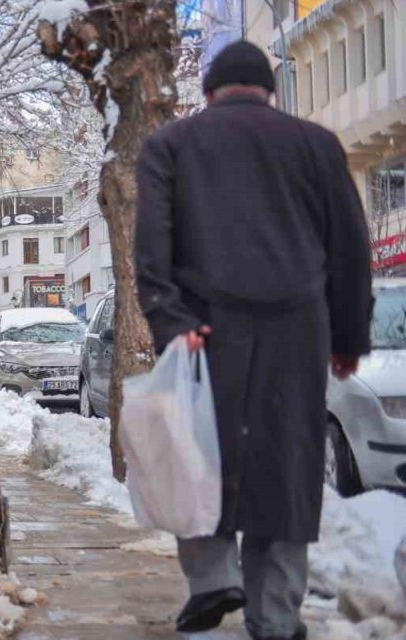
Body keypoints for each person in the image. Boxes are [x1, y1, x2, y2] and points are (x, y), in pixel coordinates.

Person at [135, 41, 372, 640]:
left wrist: (172, 322)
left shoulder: (170, 146)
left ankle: (214, 579)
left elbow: (152, 249)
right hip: (298, 331)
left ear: (208, 92)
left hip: (207, 331)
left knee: (196, 456)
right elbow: (349, 250)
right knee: (286, 471)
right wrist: (347, 337)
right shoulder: (317, 146)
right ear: (269, 91)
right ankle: (276, 617)